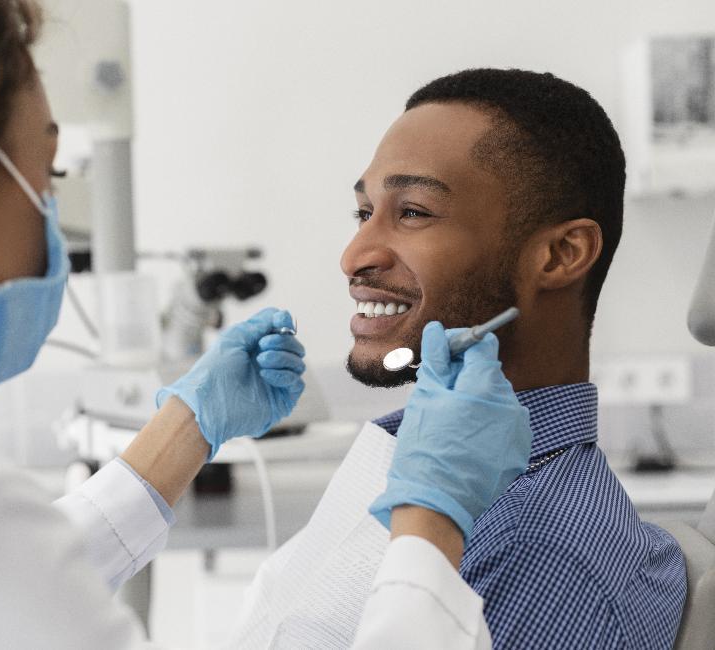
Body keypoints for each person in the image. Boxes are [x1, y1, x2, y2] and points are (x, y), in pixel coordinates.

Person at [0, 1, 531, 647]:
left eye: (413, 210)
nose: (359, 251)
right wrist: (431, 523)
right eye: (49, 174)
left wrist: (184, 431)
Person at [224, 69, 688, 649]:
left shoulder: (538, 556)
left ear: (561, 255)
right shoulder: (416, 464)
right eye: (364, 212)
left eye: (414, 211)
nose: (355, 255)